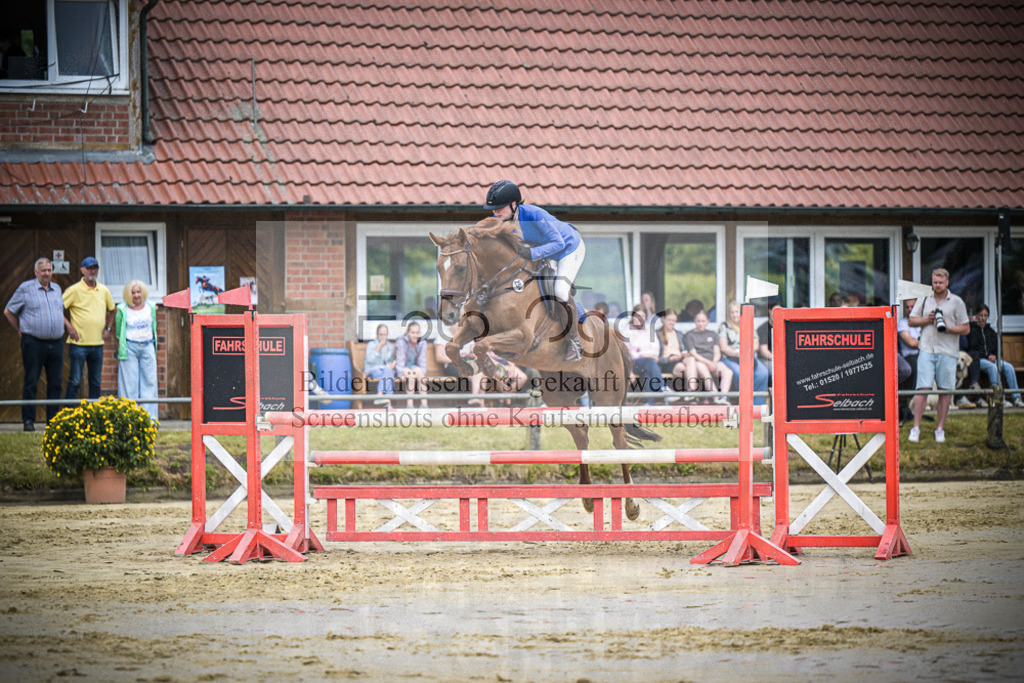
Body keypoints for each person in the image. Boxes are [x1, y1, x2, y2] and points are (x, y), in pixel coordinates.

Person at [484, 180, 585, 362]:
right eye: (494, 209)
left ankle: (575, 342)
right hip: (547, 254)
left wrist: (532, 253)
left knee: (560, 291)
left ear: (514, 204)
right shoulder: (504, 222)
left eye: (500, 208)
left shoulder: (533, 214)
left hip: (570, 249)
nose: (496, 212)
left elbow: (558, 244)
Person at [4, 257, 79, 431]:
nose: (47, 273)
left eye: (49, 270)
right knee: (31, 381)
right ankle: (28, 421)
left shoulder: (57, 288)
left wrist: (68, 326)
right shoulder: (26, 288)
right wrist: (19, 329)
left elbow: (58, 312)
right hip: (34, 343)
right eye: (43, 270)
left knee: (56, 382)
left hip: (56, 343)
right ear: (36, 272)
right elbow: (8, 311)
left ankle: (52, 422)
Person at [908, 268, 970, 444]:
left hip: (948, 350)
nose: (937, 285)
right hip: (927, 348)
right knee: (923, 389)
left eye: (940, 282)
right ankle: (916, 428)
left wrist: (948, 327)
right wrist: (928, 320)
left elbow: (966, 328)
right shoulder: (924, 298)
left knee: (945, 391)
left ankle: (940, 428)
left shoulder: (957, 302)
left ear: (947, 283)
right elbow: (912, 320)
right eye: (935, 282)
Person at [63, 256, 115, 400]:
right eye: (89, 268)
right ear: (82, 270)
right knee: (75, 381)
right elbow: (56, 308)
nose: (92, 271)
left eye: (95, 268)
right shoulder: (74, 290)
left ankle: (94, 416)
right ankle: (70, 416)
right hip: (78, 344)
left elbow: (112, 309)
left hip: (97, 344)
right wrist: (69, 327)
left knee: (96, 382)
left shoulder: (103, 290)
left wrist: (108, 328)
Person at [115, 280, 159, 423]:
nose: (136, 295)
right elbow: (118, 330)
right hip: (130, 348)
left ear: (143, 292)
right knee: (129, 384)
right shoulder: (122, 309)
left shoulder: (151, 307)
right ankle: (129, 418)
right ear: (129, 294)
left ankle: (149, 420)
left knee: (149, 383)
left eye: (138, 292)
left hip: (147, 346)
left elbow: (154, 326)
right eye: (133, 292)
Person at [965, 304, 1024, 407]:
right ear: (976, 316)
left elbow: (997, 348)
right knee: (993, 368)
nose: (983, 318)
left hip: (992, 359)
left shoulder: (990, 331)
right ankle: (999, 398)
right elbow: (972, 348)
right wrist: (986, 356)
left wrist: (995, 356)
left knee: (1008, 367)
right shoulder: (972, 330)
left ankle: (1016, 397)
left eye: (985, 315)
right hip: (979, 360)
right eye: (981, 315)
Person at [718, 300, 770, 405]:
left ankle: (757, 405)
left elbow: (756, 345)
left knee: (763, 372)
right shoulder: (724, 326)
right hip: (730, 358)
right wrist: (736, 353)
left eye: (736, 312)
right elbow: (723, 347)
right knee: (739, 373)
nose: (734, 314)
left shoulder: (748, 324)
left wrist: (745, 352)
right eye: (732, 312)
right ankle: (744, 402)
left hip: (748, 357)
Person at [683, 309, 731, 405]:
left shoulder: (712, 334)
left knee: (728, 372)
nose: (701, 324)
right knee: (703, 370)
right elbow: (694, 354)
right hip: (699, 361)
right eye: (698, 321)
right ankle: (715, 396)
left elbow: (717, 352)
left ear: (708, 321)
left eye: (703, 321)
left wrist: (713, 362)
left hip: (713, 361)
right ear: (694, 321)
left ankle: (723, 396)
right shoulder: (689, 335)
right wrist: (708, 363)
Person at [623, 304, 663, 405]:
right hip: (632, 364)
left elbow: (655, 349)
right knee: (649, 362)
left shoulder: (649, 330)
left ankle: (649, 403)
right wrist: (643, 355)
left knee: (648, 371)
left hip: (648, 363)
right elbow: (626, 352)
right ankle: (663, 388)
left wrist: (642, 353)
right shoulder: (626, 331)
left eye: (643, 316)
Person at [897, 298, 923, 418]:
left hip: (924, 354)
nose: (909, 309)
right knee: (916, 364)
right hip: (908, 356)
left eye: (912, 306)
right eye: (907, 307)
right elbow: (911, 343)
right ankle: (911, 402)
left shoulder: (923, 322)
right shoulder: (902, 324)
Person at [395, 320, 428, 408]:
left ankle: (424, 404)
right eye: (413, 332)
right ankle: (410, 405)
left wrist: (422, 372)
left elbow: (422, 360)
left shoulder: (422, 343)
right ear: (407, 333)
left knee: (420, 373)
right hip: (404, 367)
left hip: (415, 366)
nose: (415, 335)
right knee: (411, 375)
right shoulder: (401, 341)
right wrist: (400, 373)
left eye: (417, 332)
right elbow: (400, 359)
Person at [364, 324, 397, 407]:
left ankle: (380, 394)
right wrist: (378, 348)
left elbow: (388, 361)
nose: (383, 337)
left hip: (384, 370)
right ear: (377, 335)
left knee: (388, 371)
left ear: (387, 335)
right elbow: (370, 360)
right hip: (373, 369)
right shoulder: (371, 344)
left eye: (385, 334)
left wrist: (390, 364)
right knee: (389, 375)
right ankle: (388, 403)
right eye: (381, 334)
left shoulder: (389, 346)